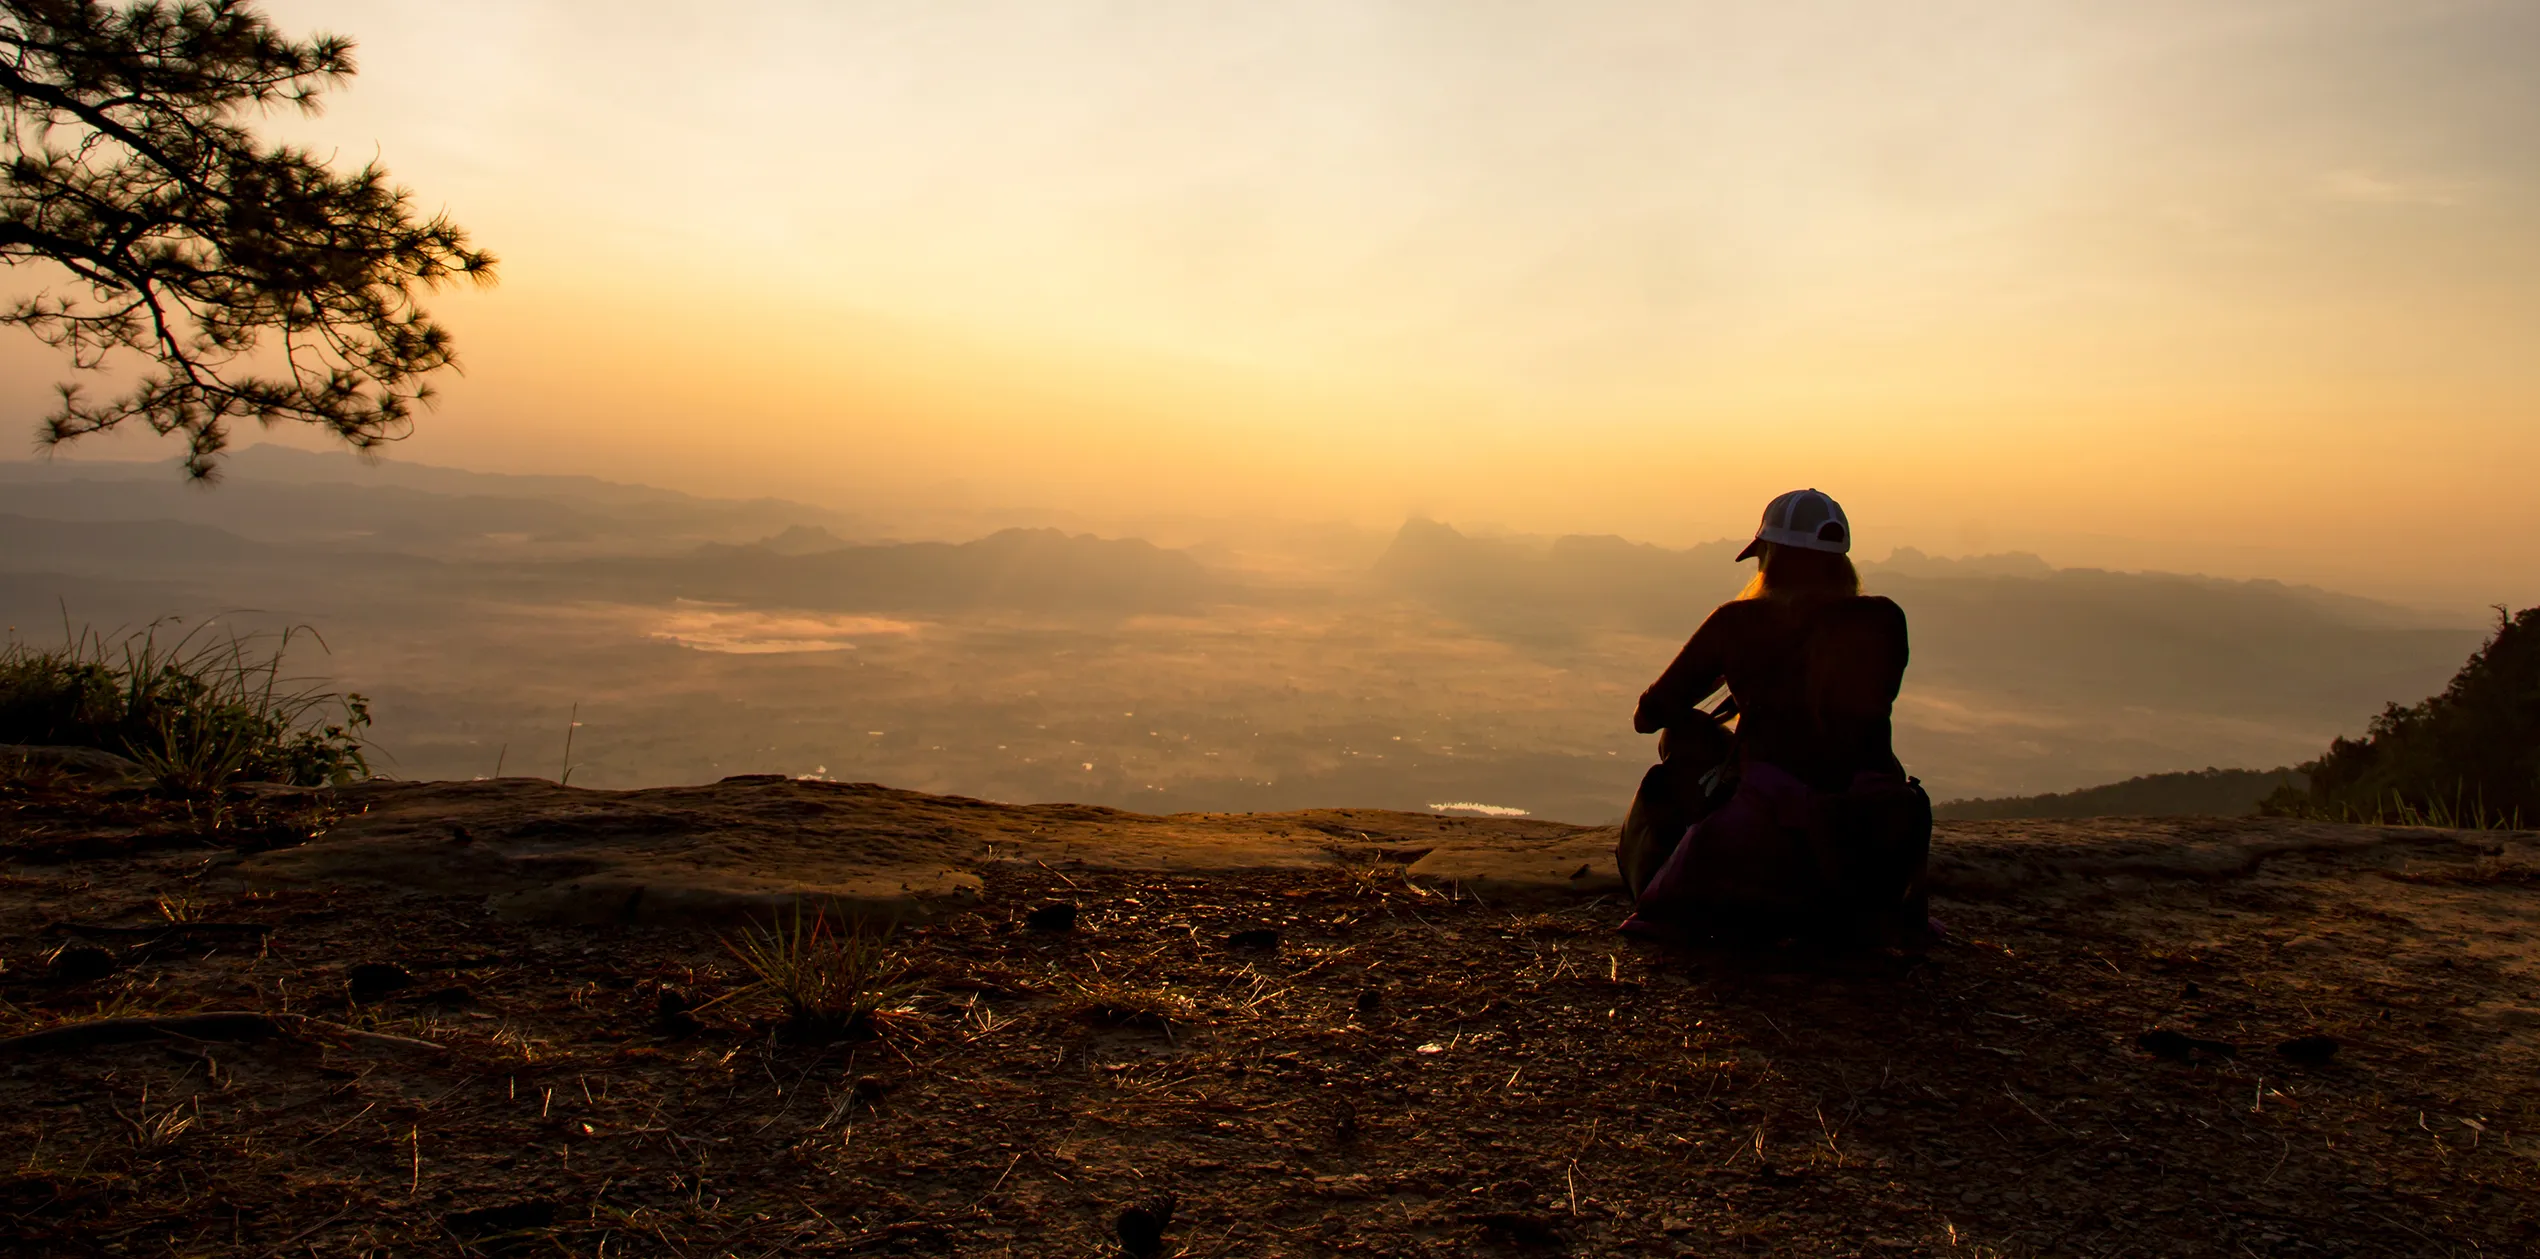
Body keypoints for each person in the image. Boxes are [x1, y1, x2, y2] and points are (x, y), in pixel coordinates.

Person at [1616, 488, 1930, 945]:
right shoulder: (1885, 619)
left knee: (1682, 738)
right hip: (1874, 847)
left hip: (1769, 832)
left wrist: (1726, 686)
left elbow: (1650, 715)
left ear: (1771, 556)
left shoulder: (1737, 621)